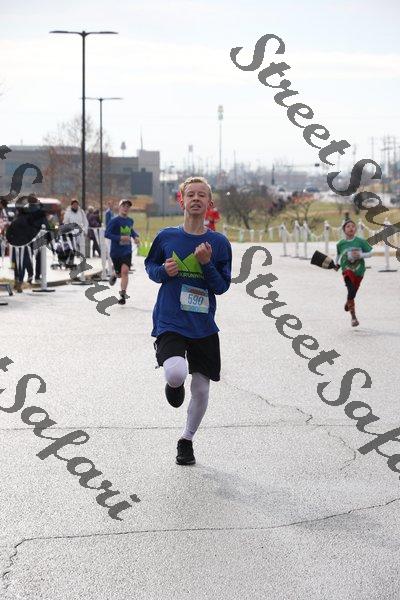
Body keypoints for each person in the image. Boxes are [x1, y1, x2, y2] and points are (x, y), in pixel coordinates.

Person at [144, 176, 232, 466]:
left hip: (203, 325)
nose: (196, 199)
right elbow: (150, 265)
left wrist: (206, 264)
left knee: (202, 389)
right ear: (181, 201)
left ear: (210, 203)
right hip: (170, 319)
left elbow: (221, 286)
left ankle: (186, 439)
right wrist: (162, 272)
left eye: (201, 195)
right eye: (190, 194)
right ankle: (173, 384)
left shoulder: (219, 243)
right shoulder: (167, 237)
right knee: (176, 373)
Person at [335, 219, 373, 327]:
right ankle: (353, 317)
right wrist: (336, 264)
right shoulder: (340, 244)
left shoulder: (361, 241)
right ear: (344, 230)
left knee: (353, 293)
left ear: (355, 229)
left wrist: (360, 255)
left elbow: (370, 253)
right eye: (348, 226)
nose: (351, 228)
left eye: (353, 226)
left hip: (359, 270)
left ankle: (348, 302)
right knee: (351, 290)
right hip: (346, 269)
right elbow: (338, 255)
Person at [105, 199, 140, 305]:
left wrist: (135, 237)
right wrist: (120, 238)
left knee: (125, 271)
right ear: (119, 207)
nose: (125, 208)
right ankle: (115, 274)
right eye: (123, 206)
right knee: (120, 274)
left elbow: (130, 230)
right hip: (116, 252)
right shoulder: (114, 221)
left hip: (127, 251)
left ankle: (122, 295)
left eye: (127, 206)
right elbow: (107, 234)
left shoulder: (130, 220)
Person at [63, 199, 89, 268]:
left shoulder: (81, 212)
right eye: (74, 205)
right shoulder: (68, 212)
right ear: (71, 205)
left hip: (80, 232)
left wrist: (85, 230)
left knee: (81, 247)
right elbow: (65, 222)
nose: (75, 206)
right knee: (72, 248)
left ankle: (82, 263)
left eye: (76, 205)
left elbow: (85, 222)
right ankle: (70, 262)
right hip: (71, 233)